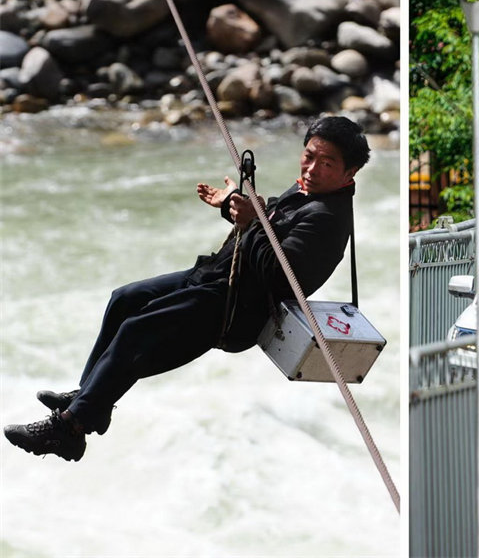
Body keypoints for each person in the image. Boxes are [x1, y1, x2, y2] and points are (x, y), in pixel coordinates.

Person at [4, 116, 370, 462]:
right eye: (309, 156)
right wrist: (233, 207)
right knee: (125, 300)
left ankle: (70, 429)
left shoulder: (326, 219)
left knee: (136, 331)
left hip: (235, 308)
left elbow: (279, 274)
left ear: (349, 173)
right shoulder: (307, 189)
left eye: (327, 164)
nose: (311, 168)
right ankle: (88, 400)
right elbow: (269, 222)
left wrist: (252, 221)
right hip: (217, 277)